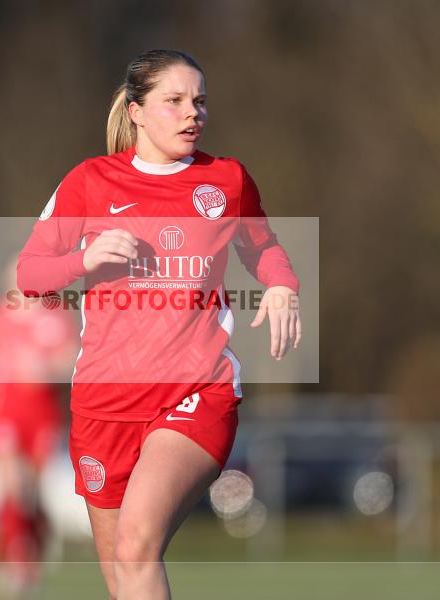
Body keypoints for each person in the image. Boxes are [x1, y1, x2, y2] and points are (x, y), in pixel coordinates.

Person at [16, 49, 301, 599]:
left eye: (199, 101)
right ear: (137, 110)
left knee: (136, 547)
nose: (192, 113)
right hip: (103, 404)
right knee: (123, 575)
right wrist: (86, 260)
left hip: (197, 392)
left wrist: (284, 285)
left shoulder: (226, 181)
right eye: (174, 101)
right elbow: (30, 274)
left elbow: (264, 248)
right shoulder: (89, 181)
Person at [0, 260, 77, 597]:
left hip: (42, 417)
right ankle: (12, 567)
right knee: (12, 486)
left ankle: (32, 558)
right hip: (3, 413)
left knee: (32, 497)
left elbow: (71, 359)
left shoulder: (55, 318)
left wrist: (47, 368)